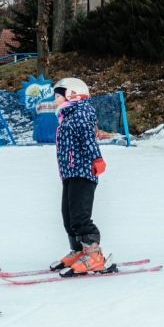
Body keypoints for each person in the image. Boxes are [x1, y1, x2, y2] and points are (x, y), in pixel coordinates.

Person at [50, 77, 110, 276]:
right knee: (68, 215)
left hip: (82, 172)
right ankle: (79, 251)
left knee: (79, 216)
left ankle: (94, 255)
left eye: (58, 96)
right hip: (70, 173)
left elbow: (88, 138)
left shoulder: (81, 113)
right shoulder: (68, 116)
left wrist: (97, 159)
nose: (55, 101)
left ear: (72, 94)